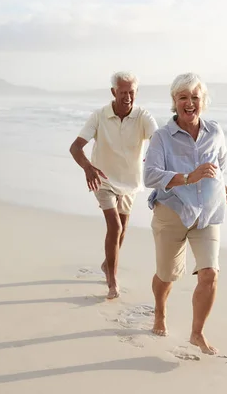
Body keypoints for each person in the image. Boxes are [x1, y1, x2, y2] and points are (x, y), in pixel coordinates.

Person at [143, 72, 227, 355]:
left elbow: (219, 163)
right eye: (184, 97)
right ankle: (160, 310)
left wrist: (223, 186)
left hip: (207, 213)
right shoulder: (162, 137)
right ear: (175, 101)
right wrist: (188, 177)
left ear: (203, 101)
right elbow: (149, 176)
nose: (190, 103)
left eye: (195, 97)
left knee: (210, 274)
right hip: (171, 211)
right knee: (167, 275)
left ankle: (197, 333)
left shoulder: (215, 132)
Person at [70, 71, 158, 299]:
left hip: (130, 181)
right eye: (122, 92)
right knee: (115, 226)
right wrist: (88, 168)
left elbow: (159, 140)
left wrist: (156, 156)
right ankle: (112, 281)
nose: (127, 97)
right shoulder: (99, 116)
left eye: (131, 92)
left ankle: (107, 264)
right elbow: (76, 147)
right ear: (113, 92)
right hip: (102, 178)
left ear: (136, 93)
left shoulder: (143, 116)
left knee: (123, 229)